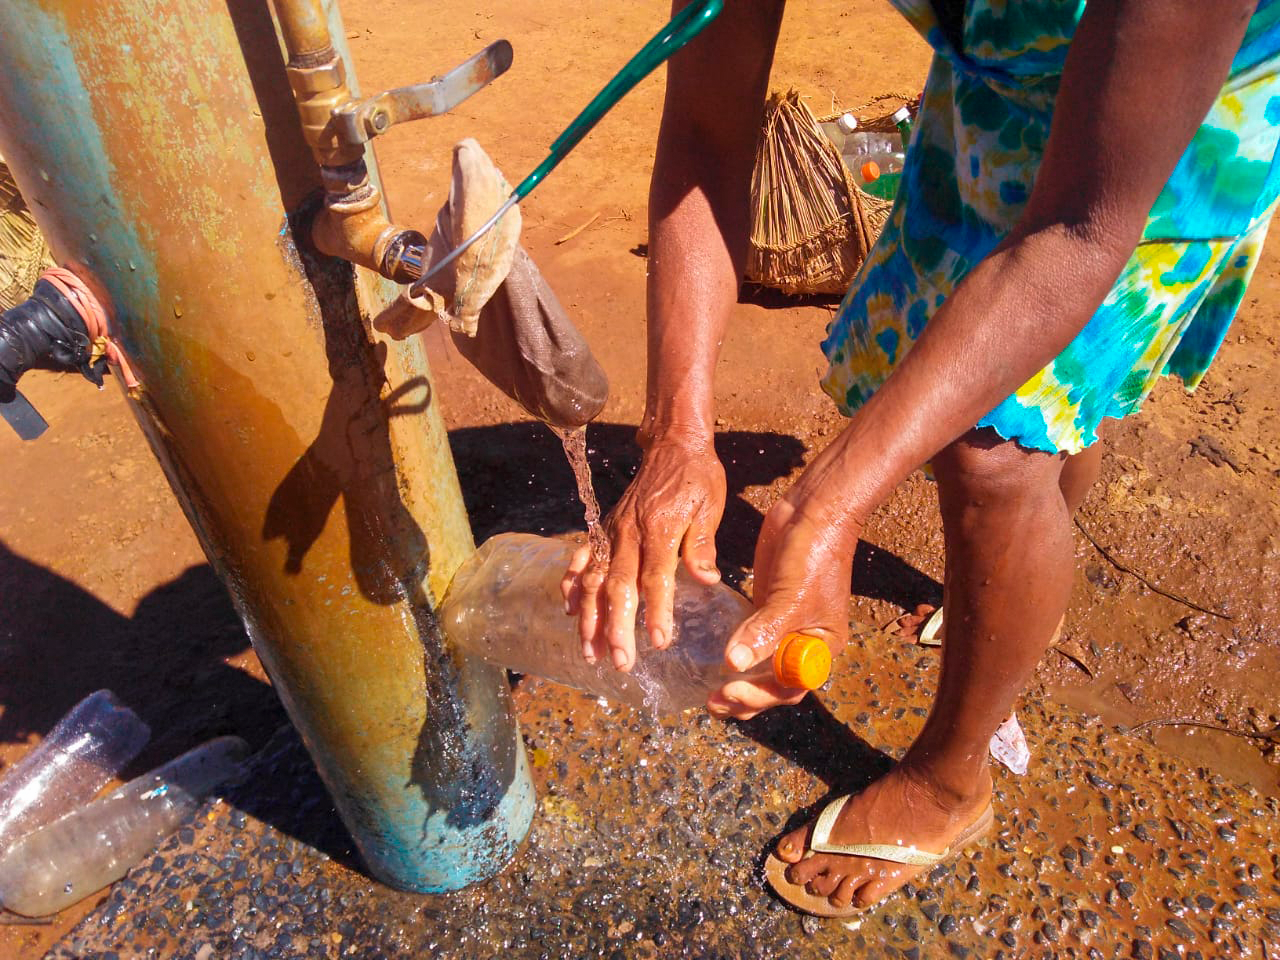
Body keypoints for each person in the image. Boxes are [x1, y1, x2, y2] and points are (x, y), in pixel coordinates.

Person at [562, 0, 1280, 914]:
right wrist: (678, 434)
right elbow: (707, 128)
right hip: (1000, 92)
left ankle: (950, 784)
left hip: (1174, 123)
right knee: (1035, 408)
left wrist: (822, 509)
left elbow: (1083, 231)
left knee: (994, 448)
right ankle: (1020, 570)